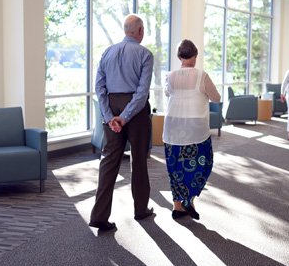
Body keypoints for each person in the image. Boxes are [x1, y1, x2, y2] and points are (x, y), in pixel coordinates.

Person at [89, 14, 155, 231]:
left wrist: (110, 118)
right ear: (141, 31)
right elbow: (142, 92)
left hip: (111, 106)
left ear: (124, 30)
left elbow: (99, 88)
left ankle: (99, 215)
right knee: (138, 159)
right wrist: (124, 117)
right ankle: (140, 209)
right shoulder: (145, 54)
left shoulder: (107, 52)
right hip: (133, 111)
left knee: (108, 161)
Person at [163, 39, 222, 220]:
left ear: (179, 57)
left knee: (175, 169)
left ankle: (178, 207)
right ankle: (189, 200)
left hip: (173, 128)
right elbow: (217, 98)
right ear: (195, 56)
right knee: (202, 164)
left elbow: (167, 93)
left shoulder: (169, 76)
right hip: (195, 129)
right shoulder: (202, 76)